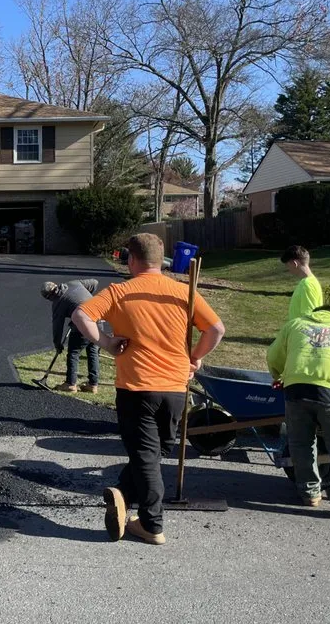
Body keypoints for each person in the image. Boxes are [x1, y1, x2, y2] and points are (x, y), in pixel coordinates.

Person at [71, 233, 225, 545]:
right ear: (161, 261)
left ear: (131, 259)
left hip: (137, 388)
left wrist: (106, 343)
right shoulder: (183, 292)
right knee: (154, 453)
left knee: (146, 455)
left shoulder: (119, 292)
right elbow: (216, 329)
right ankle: (123, 495)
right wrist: (195, 357)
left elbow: (80, 315)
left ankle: (152, 524)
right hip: (175, 389)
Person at [267, 304, 330, 520]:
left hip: (296, 391)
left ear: (314, 313)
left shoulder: (294, 325)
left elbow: (274, 356)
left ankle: (309, 494)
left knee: (300, 443)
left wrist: (279, 376)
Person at [40, 280, 101, 394]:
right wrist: (86, 301)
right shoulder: (75, 283)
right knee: (93, 351)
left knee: (74, 352)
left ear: (49, 296)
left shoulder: (58, 302)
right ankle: (93, 385)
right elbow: (94, 283)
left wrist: (57, 345)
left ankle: (70, 384)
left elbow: (57, 327)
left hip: (84, 324)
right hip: (98, 319)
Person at [281, 245, 323, 320]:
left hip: (302, 327)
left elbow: (309, 317)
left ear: (294, 263)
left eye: (287, 265)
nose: (288, 269)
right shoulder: (311, 281)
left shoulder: (307, 284)